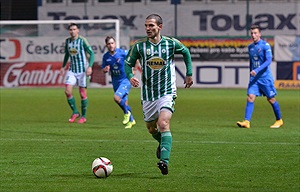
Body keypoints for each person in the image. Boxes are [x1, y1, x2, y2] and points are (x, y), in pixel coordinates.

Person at [124, 14, 193, 175]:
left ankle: (164, 161)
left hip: (167, 92)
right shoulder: (139, 46)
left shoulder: (170, 43)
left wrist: (189, 73)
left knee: (163, 124)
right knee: (151, 128)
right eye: (146, 26)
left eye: (151, 26)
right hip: (148, 94)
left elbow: (186, 52)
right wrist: (130, 77)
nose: (148, 29)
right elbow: (127, 64)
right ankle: (163, 143)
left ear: (159, 27)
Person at [237, 25, 283, 129]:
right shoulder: (250, 47)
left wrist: (257, 70)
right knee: (250, 97)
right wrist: (251, 73)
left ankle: (279, 120)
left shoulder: (265, 45)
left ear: (260, 34)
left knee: (270, 99)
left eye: (255, 33)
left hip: (265, 77)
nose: (253, 35)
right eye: (252, 33)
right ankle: (246, 121)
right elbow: (252, 62)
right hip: (254, 79)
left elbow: (268, 61)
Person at [60, 23, 95, 124]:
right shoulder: (67, 41)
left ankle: (83, 116)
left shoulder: (82, 40)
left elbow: (91, 53)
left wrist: (90, 66)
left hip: (83, 71)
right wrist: (63, 66)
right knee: (67, 91)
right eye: (71, 29)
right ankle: (75, 112)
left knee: (82, 94)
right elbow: (67, 54)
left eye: (74, 29)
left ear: (78, 30)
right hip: (72, 70)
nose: (72, 31)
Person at [102, 36, 136, 129]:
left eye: (112, 43)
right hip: (115, 81)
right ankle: (131, 121)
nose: (111, 45)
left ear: (115, 43)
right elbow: (103, 70)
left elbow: (134, 58)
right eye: (108, 44)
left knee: (117, 98)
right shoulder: (106, 57)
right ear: (106, 45)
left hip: (125, 79)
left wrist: (134, 69)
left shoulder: (122, 53)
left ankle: (126, 113)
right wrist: (105, 69)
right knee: (124, 102)